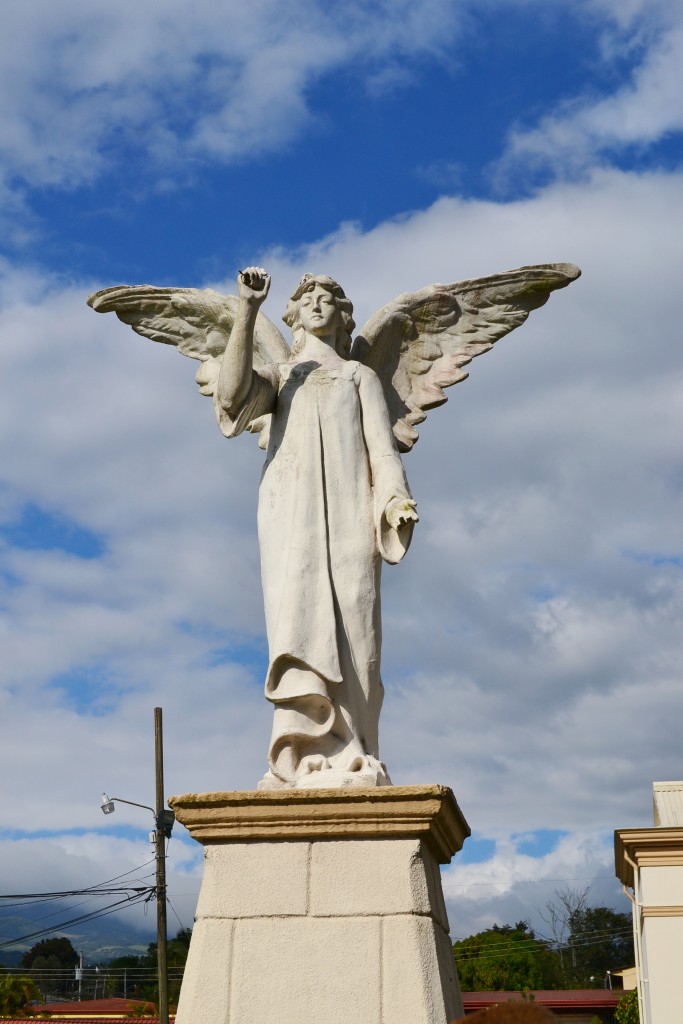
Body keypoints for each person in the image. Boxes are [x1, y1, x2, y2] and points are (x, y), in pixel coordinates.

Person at [215, 267, 418, 788]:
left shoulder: (360, 377)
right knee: (297, 619)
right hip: (291, 512)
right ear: (295, 313)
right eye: (309, 298)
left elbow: (381, 448)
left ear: (342, 314)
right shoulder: (281, 377)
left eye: (329, 298)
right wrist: (246, 310)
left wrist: (394, 500)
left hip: (352, 509)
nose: (319, 305)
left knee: (356, 621)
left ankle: (355, 745)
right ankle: (299, 750)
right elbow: (233, 398)